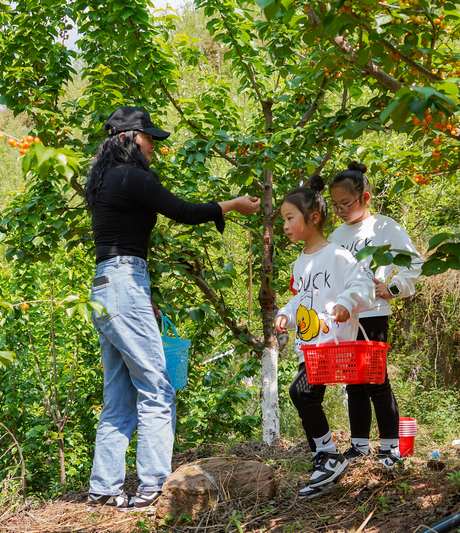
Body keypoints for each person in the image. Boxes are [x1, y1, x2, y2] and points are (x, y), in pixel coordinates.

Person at [84, 106, 260, 511]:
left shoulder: (107, 179)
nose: (153, 148)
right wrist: (232, 205)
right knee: (157, 388)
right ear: (129, 139)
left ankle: (104, 487)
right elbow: (183, 211)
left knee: (119, 396)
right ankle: (153, 487)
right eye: (149, 140)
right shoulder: (131, 176)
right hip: (124, 284)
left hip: (106, 287)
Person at [274, 175, 375, 499]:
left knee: (301, 393)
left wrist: (346, 303)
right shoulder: (300, 262)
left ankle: (328, 456)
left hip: (333, 343)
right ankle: (325, 457)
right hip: (310, 345)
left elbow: (363, 287)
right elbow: (299, 299)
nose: (285, 226)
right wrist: (286, 315)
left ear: (312, 218)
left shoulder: (338, 255)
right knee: (305, 396)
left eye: (290, 218)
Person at [327, 161, 423, 469]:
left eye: (347, 203)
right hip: (343, 318)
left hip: (373, 313)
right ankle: (359, 446)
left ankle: (390, 448)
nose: (341, 210)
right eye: (336, 205)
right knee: (352, 382)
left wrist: (393, 288)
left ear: (365, 198)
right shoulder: (336, 235)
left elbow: (413, 262)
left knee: (376, 380)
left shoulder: (384, 227)